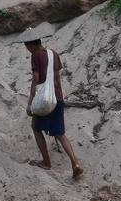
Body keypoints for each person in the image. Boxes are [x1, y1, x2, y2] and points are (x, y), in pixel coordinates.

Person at [13, 26, 83, 179]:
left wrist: (30, 102)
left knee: (36, 127)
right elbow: (56, 73)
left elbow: (36, 79)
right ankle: (75, 163)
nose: (26, 49)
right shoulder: (53, 53)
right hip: (58, 98)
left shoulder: (36, 55)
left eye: (26, 46)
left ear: (30, 44)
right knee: (59, 133)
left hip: (45, 99)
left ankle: (46, 162)